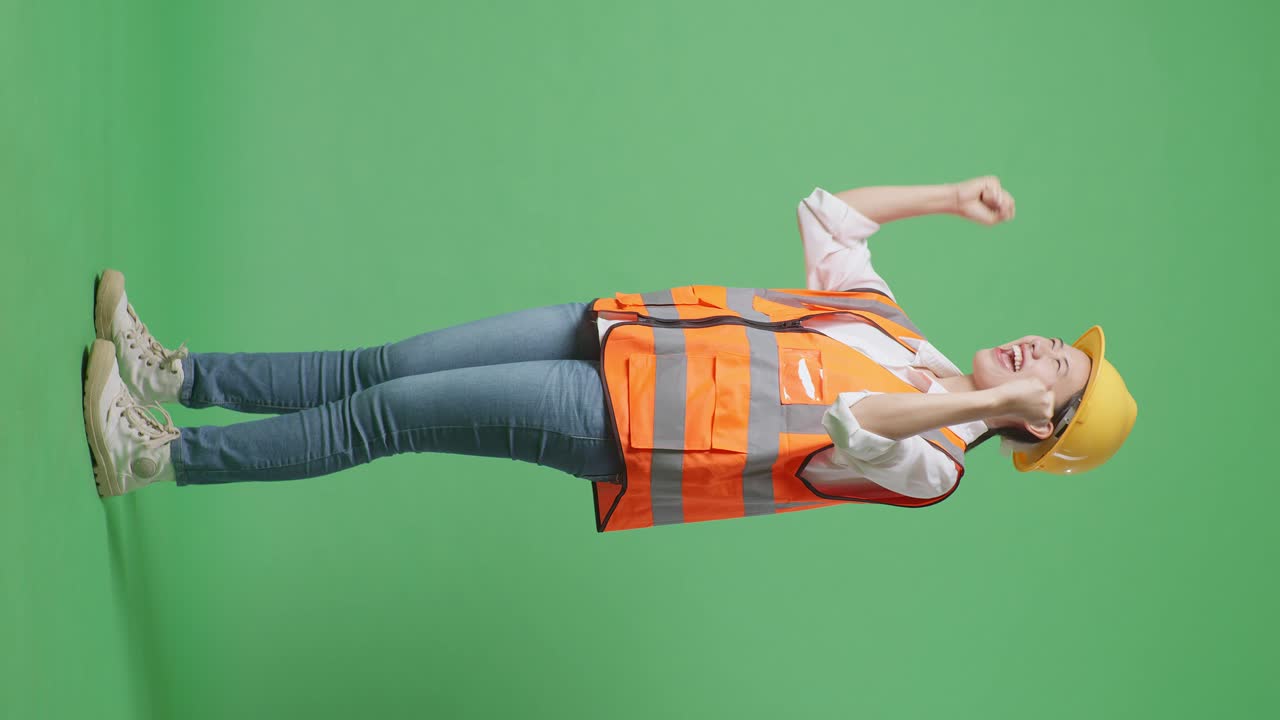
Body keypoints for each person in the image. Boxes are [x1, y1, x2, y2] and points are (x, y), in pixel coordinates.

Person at [81, 175, 1137, 532]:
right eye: (1057, 347)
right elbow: (830, 215)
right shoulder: (898, 336)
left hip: (626, 426)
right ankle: (182, 376)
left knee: (385, 419)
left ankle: (159, 455)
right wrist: (948, 199)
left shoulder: (937, 465)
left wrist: (968, 411)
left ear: (1039, 425)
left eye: (1056, 374)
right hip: (616, 332)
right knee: (380, 367)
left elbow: (853, 430)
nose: (1044, 350)